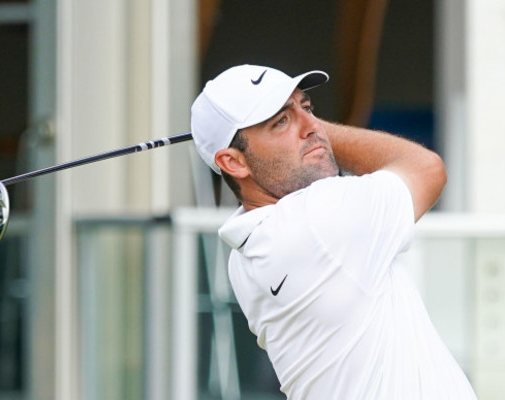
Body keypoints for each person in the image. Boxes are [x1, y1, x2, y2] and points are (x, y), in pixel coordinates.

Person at [190, 64, 477, 399]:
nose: (313, 126)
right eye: (281, 121)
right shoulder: (317, 219)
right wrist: (322, 132)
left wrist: (296, 124)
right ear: (234, 163)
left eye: (308, 108)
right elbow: (426, 168)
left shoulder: (243, 257)